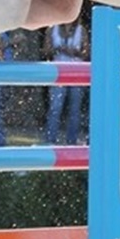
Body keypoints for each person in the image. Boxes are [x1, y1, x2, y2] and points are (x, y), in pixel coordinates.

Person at [43, 17, 88, 145]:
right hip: (57, 73)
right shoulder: (52, 28)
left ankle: (71, 141)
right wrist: (59, 49)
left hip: (77, 73)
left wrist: (73, 52)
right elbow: (46, 51)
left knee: (75, 109)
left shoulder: (81, 30)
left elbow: (86, 53)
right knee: (55, 107)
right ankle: (50, 140)